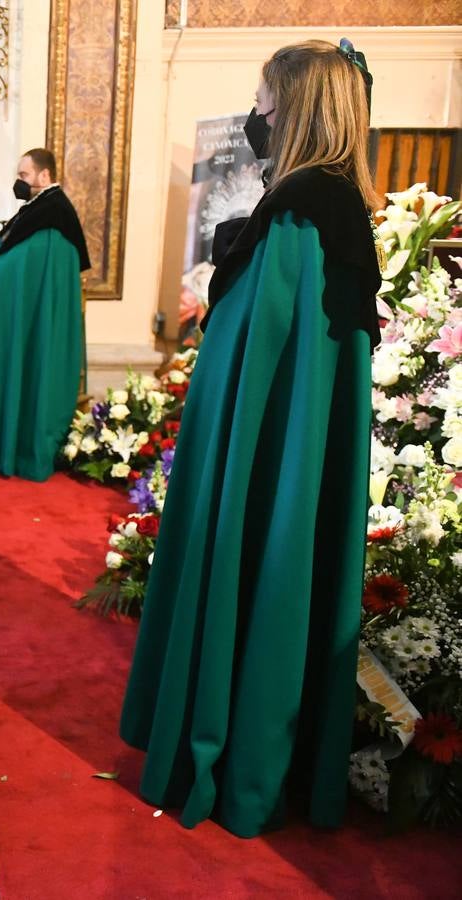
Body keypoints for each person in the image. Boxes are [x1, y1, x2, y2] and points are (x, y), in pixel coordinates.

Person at [120, 40, 380, 838]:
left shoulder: (300, 216)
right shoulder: (330, 211)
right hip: (286, 457)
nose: (255, 115)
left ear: (294, 109)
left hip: (260, 466)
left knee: (255, 555)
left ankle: (226, 750)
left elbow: (258, 362)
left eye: (264, 102)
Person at [0, 148, 91, 481]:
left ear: (44, 176)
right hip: (11, 314)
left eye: (24, 175)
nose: (19, 182)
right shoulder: (37, 209)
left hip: (28, 323)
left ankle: (20, 451)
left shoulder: (54, 214)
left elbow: (31, 268)